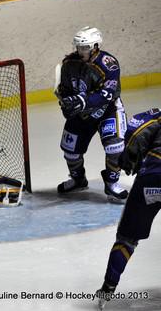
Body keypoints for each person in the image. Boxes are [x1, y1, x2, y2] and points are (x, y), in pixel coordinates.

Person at [95, 108, 161, 309]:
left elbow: (134, 131)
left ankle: (108, 288)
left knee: (127, 239)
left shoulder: (157, 115)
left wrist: (129, 158)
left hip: (153, 178)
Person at [56, 26, 128, 201]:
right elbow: (64, 88)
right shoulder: (69, 64)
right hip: (82, 114)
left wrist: (82, 102)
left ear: (96, 46)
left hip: (108, 110)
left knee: (115, 147)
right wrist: (65, 101)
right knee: (70, 150)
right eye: (79, 47)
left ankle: (111, 183)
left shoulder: (108, 64)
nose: (81, 51)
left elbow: (108, 93)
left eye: (85, 47)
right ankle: (78, 179)